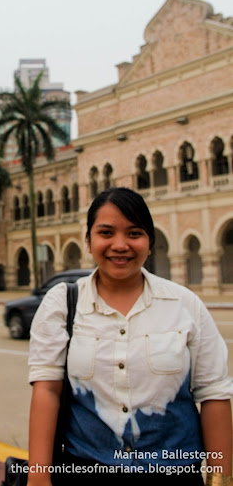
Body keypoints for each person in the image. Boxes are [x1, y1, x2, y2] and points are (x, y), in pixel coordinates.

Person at [28, 187, 232, 485]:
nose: (120, 245)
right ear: (88, 241)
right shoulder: (62, 303)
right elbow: (47, 391)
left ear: (150, 243)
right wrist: (38, 478)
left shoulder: (185, 305)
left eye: (134, 233)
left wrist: (222, 481)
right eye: (106, 233)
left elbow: (213, 394)